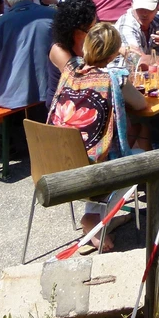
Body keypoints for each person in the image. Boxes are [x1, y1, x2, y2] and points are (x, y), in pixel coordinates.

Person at [49, 22, 149, 251]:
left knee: (100, 150)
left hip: (55, 165)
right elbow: (141, 104)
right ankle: (96, 218)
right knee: (142, 155)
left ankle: (97, 217)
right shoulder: (113, 78)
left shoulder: (69, 72)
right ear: (113, 54)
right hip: (91, 173)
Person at [47, 0, 97, 109]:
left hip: (84, 98)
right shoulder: (58, 49)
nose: (94, 32)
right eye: (91, 28)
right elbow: (77, 78)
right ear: (76, 30)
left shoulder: (87, 42)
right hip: (62, 106)